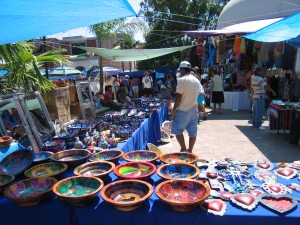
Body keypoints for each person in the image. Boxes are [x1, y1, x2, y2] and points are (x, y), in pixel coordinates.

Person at [171, 61, 201, 153]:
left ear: (182, 69)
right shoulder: (196, 80)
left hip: (183, 110)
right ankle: (190, 151)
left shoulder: (181, 80)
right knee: (193, 132)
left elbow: (179, 97)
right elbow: (199, 96)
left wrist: (174, 109)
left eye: (180, 69)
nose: (180, 71)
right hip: (194, 109)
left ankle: (183, 149)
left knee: (177, 130)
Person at [251, 66, 276, 131]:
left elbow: (252, 88)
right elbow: (265, 85)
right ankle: (258, 125)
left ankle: (254, 124)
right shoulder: (259, 78)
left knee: (255, 111)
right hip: (260, 96)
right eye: (262, 71)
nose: (263, 72)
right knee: (260, 111)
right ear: (258, 71)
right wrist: (272, 91)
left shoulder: (253, 77)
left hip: (255, 96)